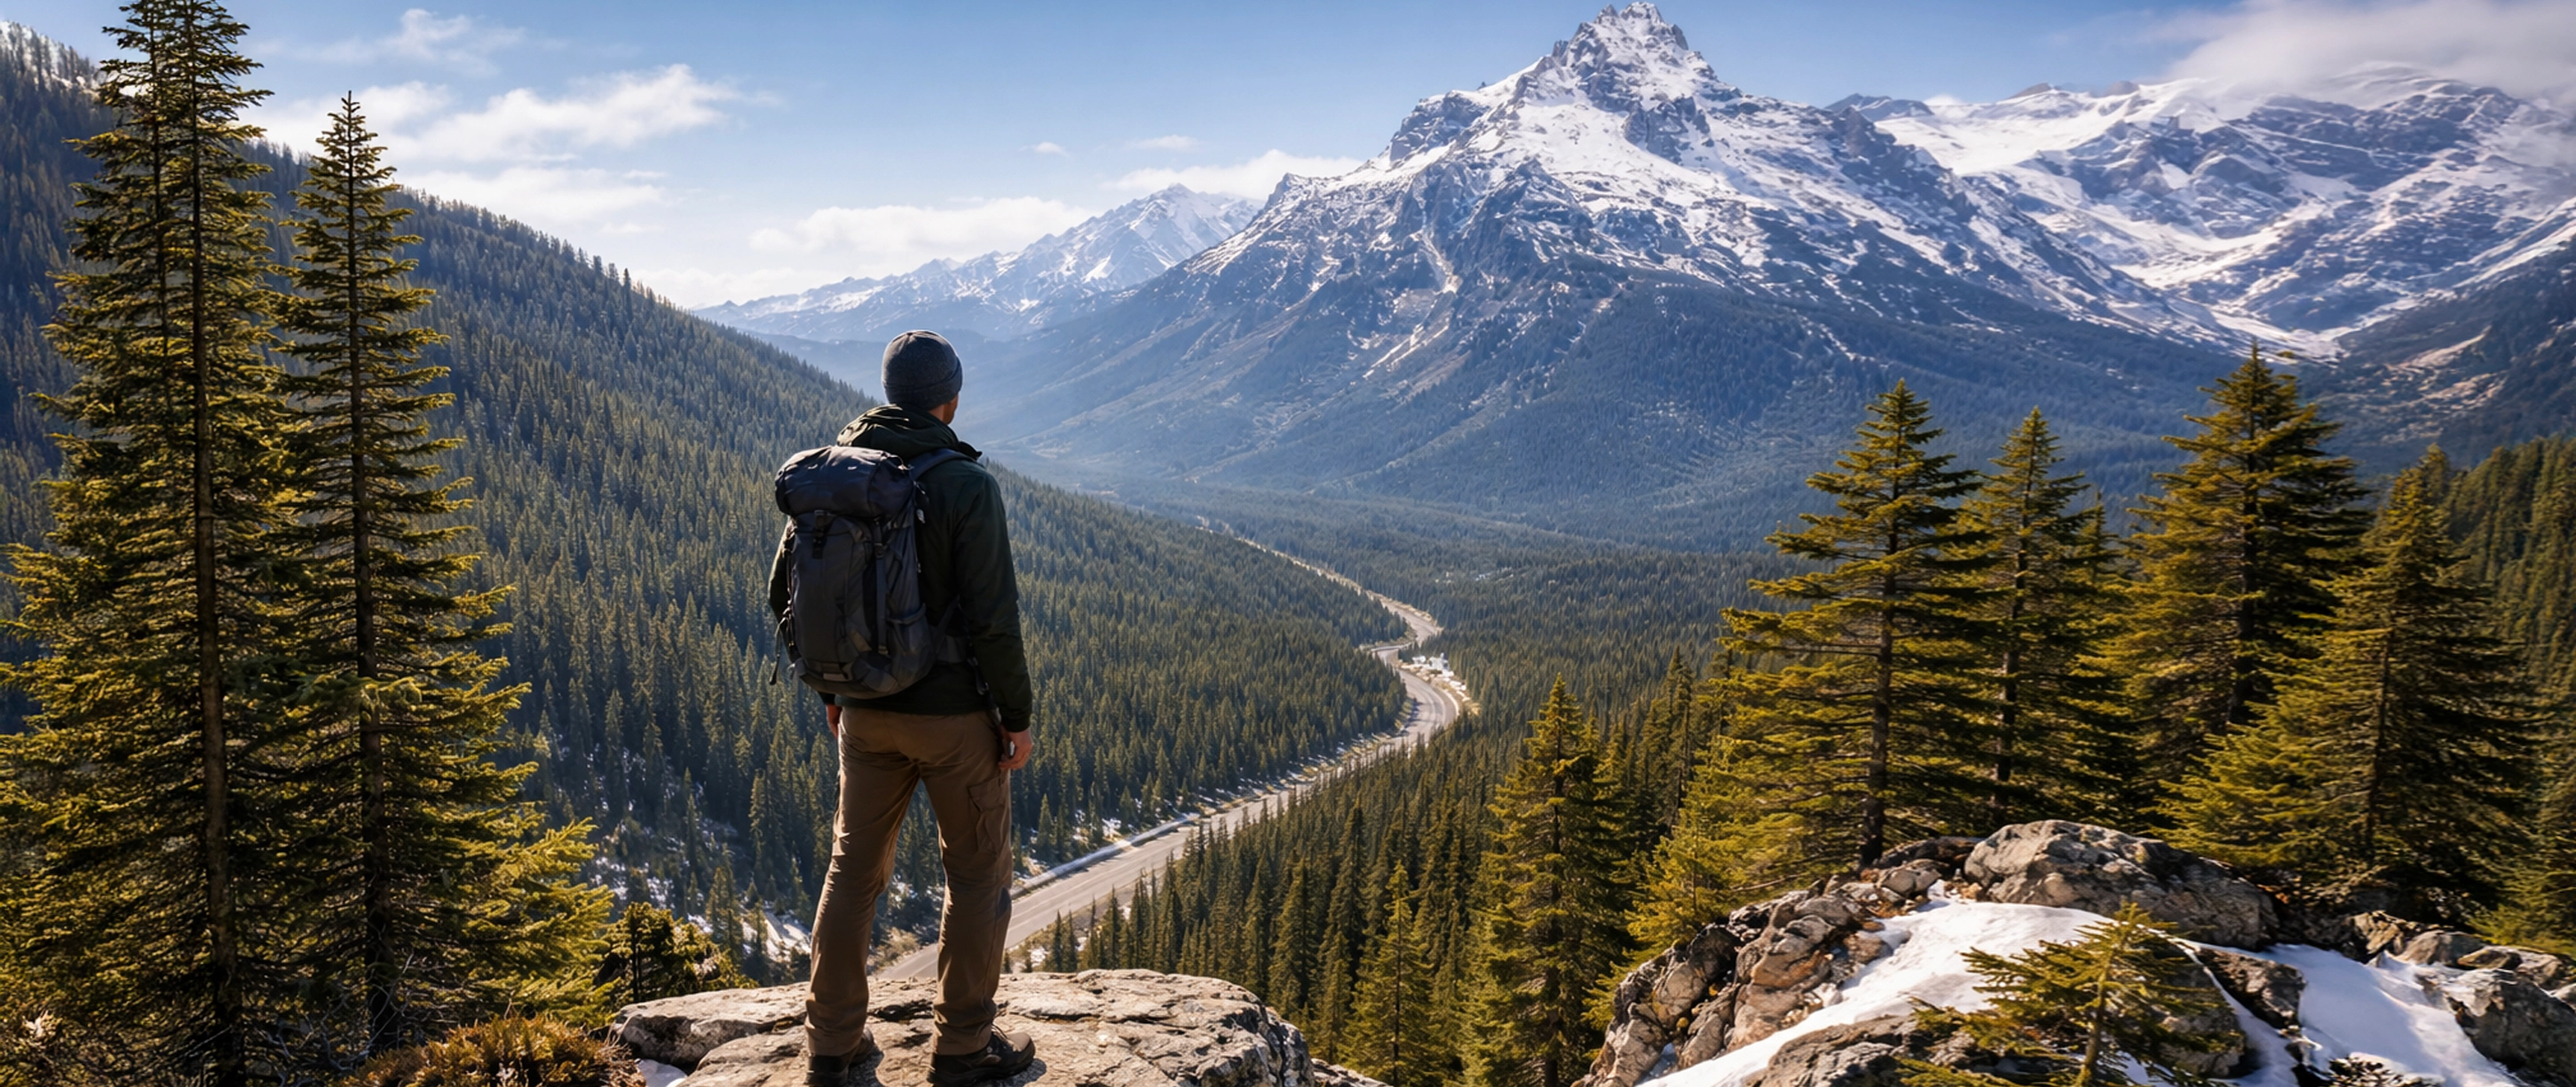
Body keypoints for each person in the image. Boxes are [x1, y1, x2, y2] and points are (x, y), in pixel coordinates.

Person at [770, 330, 1038, 1087]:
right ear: (950, 400)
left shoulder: (838, 474)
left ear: (892, 394)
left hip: (864, 712)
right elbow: (994, 619)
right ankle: (962, 1048)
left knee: (853, 870)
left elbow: (786, 591)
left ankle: (832, 1041)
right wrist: (1013, 717)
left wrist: (833, 689)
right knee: (978, 874)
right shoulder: (964, 485)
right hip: (955, 721)